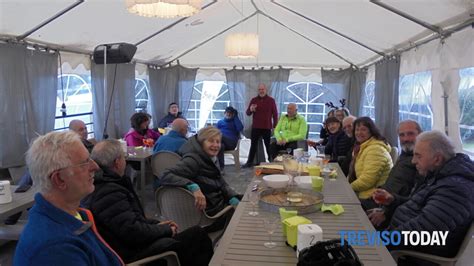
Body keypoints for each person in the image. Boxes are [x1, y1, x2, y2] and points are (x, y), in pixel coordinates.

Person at [82, 140, 213, 265]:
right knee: (197, 236)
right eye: (123, 157)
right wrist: (165, 230)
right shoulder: (109, 192)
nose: (126, 161)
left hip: (128, 244)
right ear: (117, 162)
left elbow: (130, 221)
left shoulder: (102, 185)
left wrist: (157, 224)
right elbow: (133, 232)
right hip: (132, 252)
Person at [14, 131, 123, 266]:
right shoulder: (54, 250)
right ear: (60, 179)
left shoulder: (73, 214)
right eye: (85, 163)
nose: (95, 167)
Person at [373, 131, 474, 259]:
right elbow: (416, 206)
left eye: (418, 156)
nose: (413, 161)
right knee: (345, 239)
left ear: (437, 159)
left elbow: (422, 232)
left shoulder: (456, 188)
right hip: (396, 240)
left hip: (412, 257)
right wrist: (393, 201)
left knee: (348, 241)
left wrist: (377, 240)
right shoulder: (439, 175)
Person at [160, 126, 240, 224]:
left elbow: (219, 181)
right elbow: (165, 175)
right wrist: (193, 186)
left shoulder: (211, 157)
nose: (216, 145)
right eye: (211, 141)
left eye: (218, 141)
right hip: (209, 214)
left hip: (218, 203)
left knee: (247, 205)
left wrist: (232, 197)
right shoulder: (193, 160)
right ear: (201, 142)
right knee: (248, 217)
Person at [348, 117, 393, 199]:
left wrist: (347, 187)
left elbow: (367, 181)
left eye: (363, 129)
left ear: (371, 131)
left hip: (373, 197)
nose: (359, 132)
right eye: (357, 130)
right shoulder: (362, 147)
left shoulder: (376, 149)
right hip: (363, 192)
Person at [243, 83, 278, 167]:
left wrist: (275, 126)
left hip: (267, 127)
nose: (261, 91)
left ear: (265, 90)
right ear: (258, 90)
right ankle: (249, 162)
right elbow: (248, 113)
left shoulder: (271, 100)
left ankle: (271, 162)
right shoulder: (254, 100)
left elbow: (275, 114)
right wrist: (251, 110)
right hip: (256, 127)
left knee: (268, 146)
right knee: (253, 146)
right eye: (260, 89)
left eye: (263, 89)